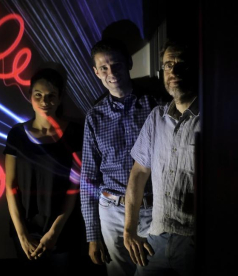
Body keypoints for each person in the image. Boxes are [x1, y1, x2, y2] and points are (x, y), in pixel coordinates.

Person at [80, 38, 158, 276]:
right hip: (112, 211)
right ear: (96, 72)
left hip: (151, 209)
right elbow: (88, 178)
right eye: (103, 67)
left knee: (153, 269)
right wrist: (92, 236)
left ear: (129, 64)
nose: (111, 72)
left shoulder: (155, 106)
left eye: (116, 65)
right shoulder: (94, 117)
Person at [123, 39, 199, 276]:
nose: (173, 71)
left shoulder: (214, 118)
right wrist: (129, 229)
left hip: (194, 242)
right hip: (156, 236)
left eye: (181, 65)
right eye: (168, 65)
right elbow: (139, 173)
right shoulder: (157, 117)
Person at [3, 67, 85, 275]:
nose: (44, 101)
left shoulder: (75, 133)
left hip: (64, 229)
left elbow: (75, 187)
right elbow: (10, 186)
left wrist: (54, 232)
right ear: (30, 96)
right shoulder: (17, 134)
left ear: (60, 98)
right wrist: (22, 234)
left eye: (51, 96)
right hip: (26, 228)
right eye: (38, 95)